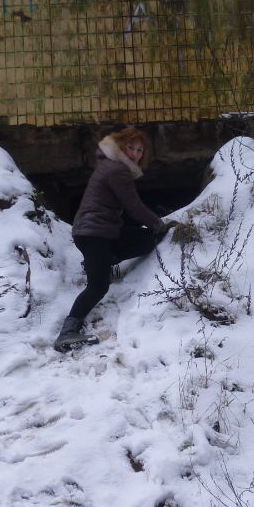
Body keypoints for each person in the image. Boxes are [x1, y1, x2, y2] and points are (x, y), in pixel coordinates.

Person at [54, 127, 170, 351]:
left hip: (100, 232)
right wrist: (158, 224)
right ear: (120, 146)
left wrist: (154, 230)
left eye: (139, 150)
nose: (135, 153)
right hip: (94, 234)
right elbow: (133, 206)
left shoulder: (109, 165)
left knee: (145, 240)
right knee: (98, 287)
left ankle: (99, 262)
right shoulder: (117, 170)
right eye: (131, 147)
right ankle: (67, 332)